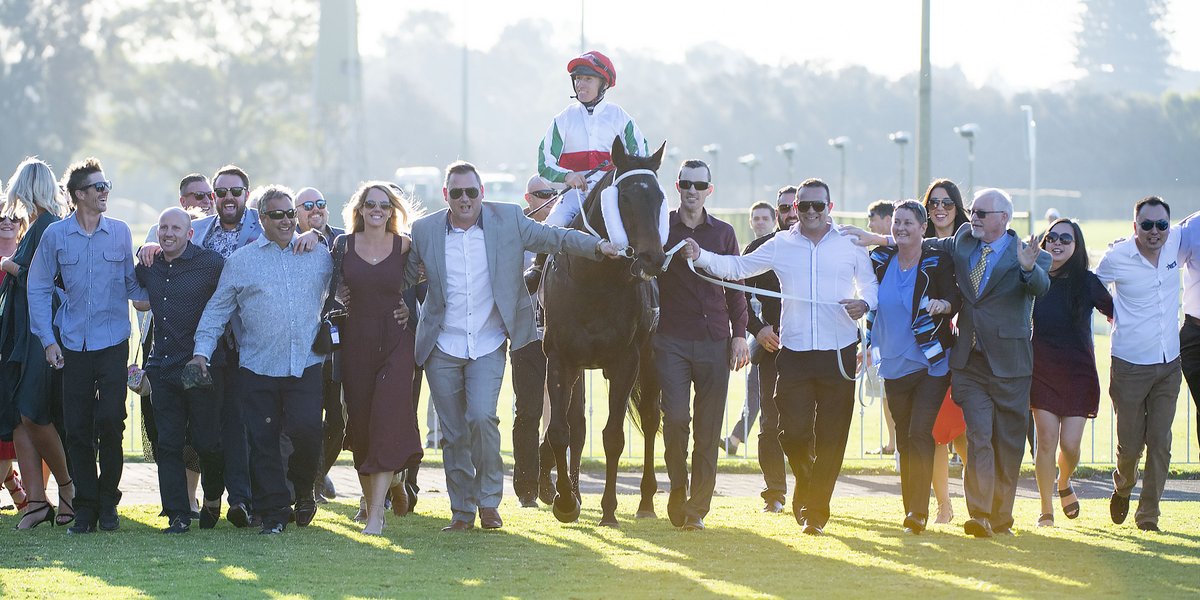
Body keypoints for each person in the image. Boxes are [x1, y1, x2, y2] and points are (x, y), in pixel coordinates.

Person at [406, 161, 620, 532]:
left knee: (482, 418)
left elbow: (557, 238)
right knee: (453, 431)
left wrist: (599, 246)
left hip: (489, 341)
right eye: (456, 193)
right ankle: (461, 511)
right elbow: (402, 273)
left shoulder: (507, 220)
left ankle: (489, 502)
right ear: (445, 196)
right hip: (442, 344)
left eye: (471, 191)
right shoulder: (424, 231)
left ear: (482, 193)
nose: (464, 199)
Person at [685, 177, 876, 535]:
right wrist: (702, 256)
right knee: (791, 434)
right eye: (804, 206)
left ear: (830, 208)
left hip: (838, 353)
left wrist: (864, 303)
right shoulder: (781, 244)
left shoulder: (850, 243)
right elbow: (737, 269)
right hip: (796, 354)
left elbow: (869, 285)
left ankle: (816, 513)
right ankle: (805, 477)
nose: (810, 212)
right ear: (794, 210)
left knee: (833, 436)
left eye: (818, 206)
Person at [138, 165, 318, 528]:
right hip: (214, 352)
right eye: (219, 193)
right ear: (213, 198)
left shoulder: (289, 237)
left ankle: (266, 497)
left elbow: (337, 262)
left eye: (235, 192)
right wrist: (150, 244)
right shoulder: (201, 234)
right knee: (225, 432)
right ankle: (242, 504)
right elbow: (167, 251)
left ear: (247, 197)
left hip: (267, 349)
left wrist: (316, 235)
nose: (227, 198)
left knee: (273, 430)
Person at [189, 185, 332, 534]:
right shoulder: (241, 262)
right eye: (277, 215)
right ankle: (274, 513)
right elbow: (216, 311)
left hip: (306, 363)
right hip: (258, 367)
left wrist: (315, 234)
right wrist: (201, 353)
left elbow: (348, 276)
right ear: (262, 219)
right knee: (263, 442)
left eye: (289, 214)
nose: (285, 221)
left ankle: (303, 491)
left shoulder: (319, 253)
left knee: (308, 432)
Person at [27, 157, 149, 534]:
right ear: (79, 195)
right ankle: (85, 508)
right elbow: (38, 286)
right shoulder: (55, 236)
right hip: (72, 345)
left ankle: (108, 502)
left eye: (106, 185)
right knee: (77, 428)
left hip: (113, 342)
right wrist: (48, 340)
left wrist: (152, 291)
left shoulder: (121, 232)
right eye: (99, 187)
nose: (105, 192)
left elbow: (132, 284)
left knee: (111, 422)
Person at [323, 181, 423, 535]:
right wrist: (336, 292)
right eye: (370, 204)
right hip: (356, 343)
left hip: (396, 341)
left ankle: (376, 515)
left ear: (392, 210)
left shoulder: (406, 245)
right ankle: (391, 483)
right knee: (361, 427)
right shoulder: (342, 245)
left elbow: (427, 282)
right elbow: (329, 282)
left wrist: (410, 313)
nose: (377, 210)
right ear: (360, 209)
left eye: (384, 205)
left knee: (385, 418)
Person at [657, 160, 749, 532]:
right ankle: (678, 488)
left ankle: (696, 510)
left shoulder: (724, 233)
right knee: (676, 419)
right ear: (677, 187)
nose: (692, 190)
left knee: (708, 431)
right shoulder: (662, 227)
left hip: (715, 340)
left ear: (710, 190)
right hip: (671, 339)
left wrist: (740, 332)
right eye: (686, 183)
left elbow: (736, 283)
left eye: (699, 185)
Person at [863, 200, 959, 534]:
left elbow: (954, 297)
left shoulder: (936, 260)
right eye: (897, 223)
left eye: (908, 223)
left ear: (922, 228)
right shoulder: (880, 260)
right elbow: (866, 294)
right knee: (904, 440)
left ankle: (918, 513)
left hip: (930, 363)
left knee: (921, 433)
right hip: (892, 364)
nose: (901, 228)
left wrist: (943, 304)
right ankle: (912, 508)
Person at [136, 208, 227, 533]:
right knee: (169, 444)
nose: (168, 233)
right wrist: (141, 249)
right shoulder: (151, 264)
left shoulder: (210, 263)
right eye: (163, 228)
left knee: (205, 443)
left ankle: (213, 496)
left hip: (196, 366)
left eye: (176, 228)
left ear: (190, 233)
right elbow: (130, 282)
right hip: (162, 366)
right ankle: (177, 514)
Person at [525, 50, 648, 288]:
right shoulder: (563, 119)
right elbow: (544, 163)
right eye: (577, 78)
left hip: (612, 196)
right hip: (574, 196)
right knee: (551, 227)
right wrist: (568, 176)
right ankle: (539, 269)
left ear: (603, 84)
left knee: (642, 229)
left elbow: (641, 157)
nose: (580, 84)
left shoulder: (620, 118)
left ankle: (652, 287)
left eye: (587, 79)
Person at [1095, 196, 1182, 533]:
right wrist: (1113, 314)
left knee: (1160, 442)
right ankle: (1122, 486)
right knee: (1130, 446)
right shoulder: (1117, 256)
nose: (1155, 231)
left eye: (1161, 224)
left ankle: (1148, 516)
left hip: (1169, 365)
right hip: (1129, 365)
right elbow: (1093, 286)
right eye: (1147, 225)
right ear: (1135, 227)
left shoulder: (1175, 243)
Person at [2, 160, 75, 530]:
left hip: (39, 332)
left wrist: (8, 264)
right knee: (19, 415)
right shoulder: (37, 225)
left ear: (26, 188)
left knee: (34, 412)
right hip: (21, 331)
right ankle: (35, 501)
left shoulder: (48, 225)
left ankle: (67, 489)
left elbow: (44, 278)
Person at [1030, 218, 1113, 528]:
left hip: (1079, 374)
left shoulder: (1087, 282)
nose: (1058, 242)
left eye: (1066, 238)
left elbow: (1116, 312)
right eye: (1052, 237)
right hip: (1042, 370)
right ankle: (1045, 509)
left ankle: (1064, 480)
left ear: (1076, 246)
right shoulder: (1034, 279)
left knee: (1071, 446)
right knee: (1047, 439)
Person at [511, 175, 585, 508]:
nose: (553, 199)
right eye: (545, 194)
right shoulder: (517, 233)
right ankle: (526, 487)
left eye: (557, 194)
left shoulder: (572, 230)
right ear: (529, 198)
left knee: (570, 413)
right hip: (528, 336)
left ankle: (560, 476)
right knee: (527, 411)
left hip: (567, 341)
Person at [722, 192, 796, 514]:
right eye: (786, 207)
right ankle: (776, 493)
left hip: (817, 349)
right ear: (776, 211)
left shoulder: (826, 248)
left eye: (803, 206)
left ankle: (811, 491)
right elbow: (735, 291)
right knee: (770, 422)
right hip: (773, 347)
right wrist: (757, 329)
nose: (795, 213)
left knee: (814, 426)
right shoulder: (761, 249)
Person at [921, 179, 970, 524]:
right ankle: (943, 505)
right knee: (937, 434)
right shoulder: (917, 246)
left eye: (947, 203)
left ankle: (979, 504)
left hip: (969, 352)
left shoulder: (970, 241)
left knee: (968, 436)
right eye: (933, 203)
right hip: (930, 352)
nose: (940, 208)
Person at [295, 186, 345, 503]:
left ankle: (320, 471)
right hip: (305, 344)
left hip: (340, 341)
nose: (316, 209)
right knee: (309, 418)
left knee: (338, 420)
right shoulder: (290, 243)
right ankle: (310, 482)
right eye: (308, 205)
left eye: (321, 204)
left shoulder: (342, 239)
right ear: (296, 212)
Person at [722, 201, 776, 459]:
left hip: (774, 332)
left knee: (758, 387)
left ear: (774, 220)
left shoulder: (781, 247)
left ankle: (735, 437)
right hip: (762, 331)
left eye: (765, 218)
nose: (760, 222)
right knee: (755, 387)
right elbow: (738, 293)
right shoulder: (749, 253)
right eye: (756, 218)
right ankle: (735, 437)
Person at [865, 199, 899, 458]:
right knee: (885, 390)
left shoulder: (911, 250)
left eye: (872, 219)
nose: (869, 225)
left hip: (899, 337)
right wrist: (868, 340)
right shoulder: (875, 255)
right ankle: (893, 443)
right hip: (878, 337)